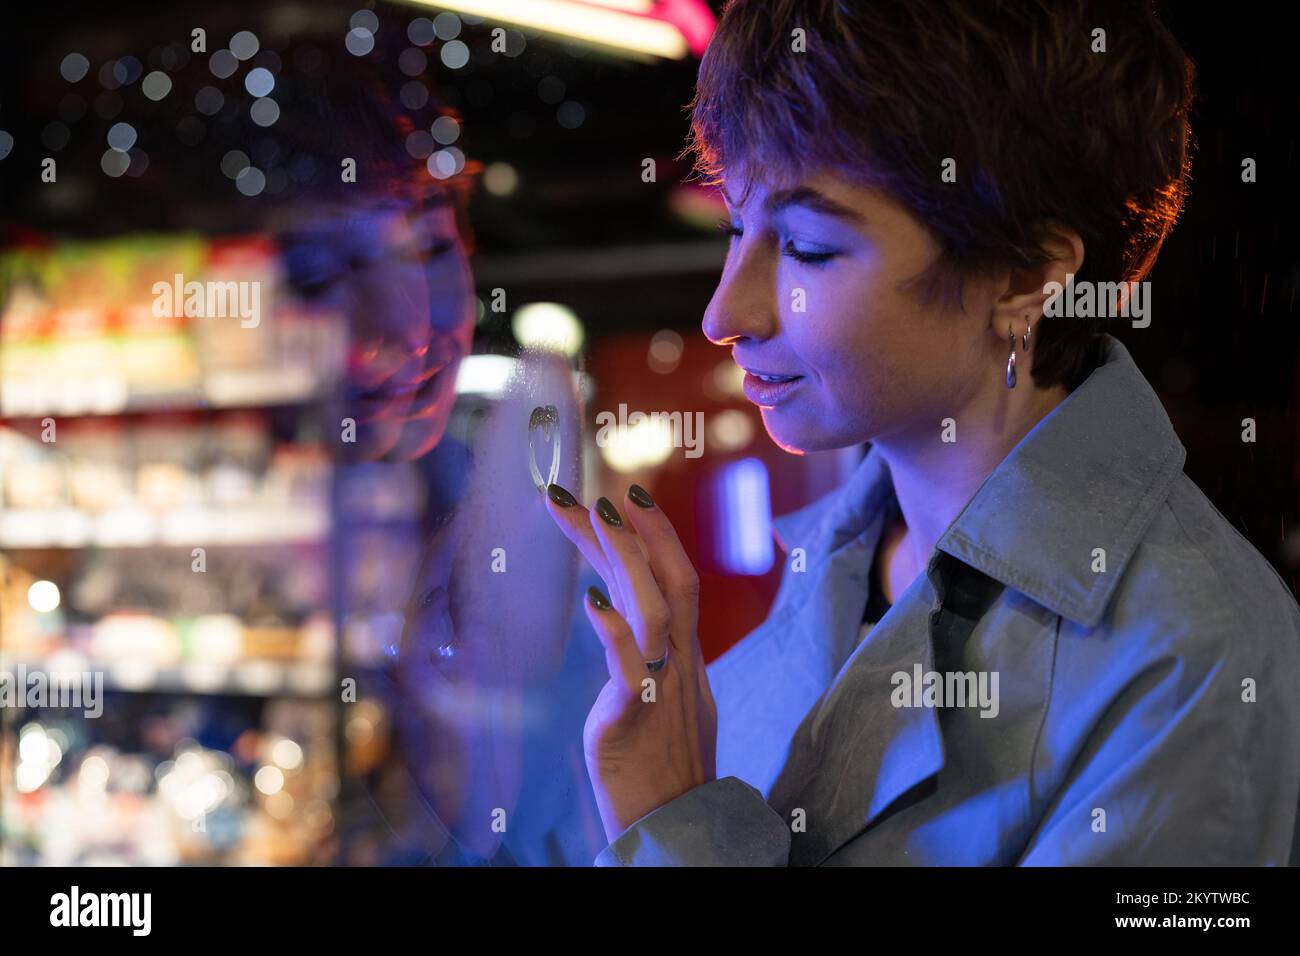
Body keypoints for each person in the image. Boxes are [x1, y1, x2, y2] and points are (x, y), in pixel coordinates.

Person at [543, 0, 1300, 865]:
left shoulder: (1192, 658)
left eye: (809, 247)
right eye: (738, 228)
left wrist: (675, 826)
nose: (725, 312)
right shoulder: (841, 558)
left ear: (1025, 277)